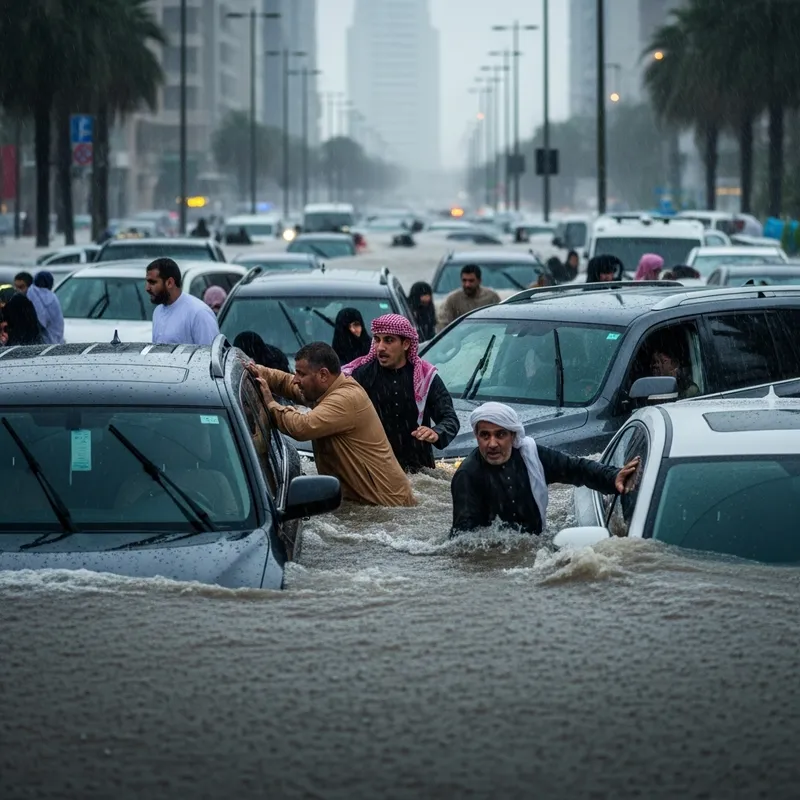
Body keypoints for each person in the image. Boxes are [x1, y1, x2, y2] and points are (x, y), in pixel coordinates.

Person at [248, 341, 416, 507]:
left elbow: (302, 427)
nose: (295, 380)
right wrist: (259, 372)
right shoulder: (322, 391)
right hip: (362, 503)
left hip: (387, 507)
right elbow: (286, 383)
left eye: (301, 374)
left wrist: (271, 404)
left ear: (323, 375)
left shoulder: (345, 398)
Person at [450, 402, 640, 537]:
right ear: (476, 436)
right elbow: (464, 540)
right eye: (485, 435)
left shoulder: (531, 456)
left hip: (535, 545)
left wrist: (613, 476)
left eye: (500, 435)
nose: (492, 444)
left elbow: (575, 468)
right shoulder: (467, 476)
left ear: (513, 435)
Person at [342, 314, 459, 473]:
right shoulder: (362, 375)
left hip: (420, 471)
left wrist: (436, 432)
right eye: (377, 339)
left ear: (406, 343)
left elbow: (450, 418)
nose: (380, 347)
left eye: (388, 340)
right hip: (374, 470)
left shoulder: (425, 377)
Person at [146, 257, 220, 346]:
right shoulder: (158, 311)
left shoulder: (199, 313)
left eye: (152, 282)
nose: (147, 288)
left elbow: (209, 355)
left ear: (170, 282)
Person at [437, 264, 501, 331]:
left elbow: (500, 322)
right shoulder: (453, 299)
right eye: (464, 280)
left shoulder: (491, 298)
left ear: (479, 281)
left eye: (471, 281)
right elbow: (443, 325)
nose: (467, 285)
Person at [32, 271, 65, 344]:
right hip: (56, 341)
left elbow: (41, 320)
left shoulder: (33, 295)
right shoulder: (53, 298)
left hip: (41, 343)